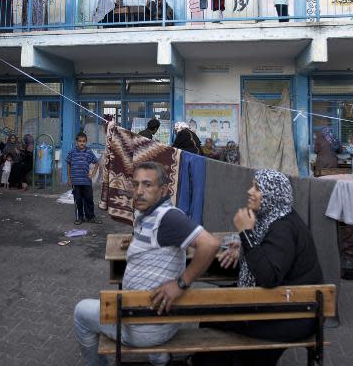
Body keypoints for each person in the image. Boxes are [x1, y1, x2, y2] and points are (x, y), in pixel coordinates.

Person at [74, 162, 221, 366]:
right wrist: (136, 239)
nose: (139, 192)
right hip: (161, 320)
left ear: (162, 190)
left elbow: (210, 245)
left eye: (147, 185)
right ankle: (159, 358)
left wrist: (180, 284)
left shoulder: (168, 217)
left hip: (144, 328)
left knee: (81, 312)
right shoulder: (150, 214)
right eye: (135, 185)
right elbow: (160, 240)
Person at [196, 169, 323, 366]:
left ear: (272, 195)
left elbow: (268, 277)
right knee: (213, 309)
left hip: (292, 316)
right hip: (288, 306)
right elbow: (269, 252)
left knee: (213, 315)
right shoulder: (276, 218)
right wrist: (244, 247)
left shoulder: (283, 228)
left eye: (257, 188)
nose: (249, 191)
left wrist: (246, 234)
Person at [66, 132, 100, 225]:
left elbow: (97, 162)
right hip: (76, 181)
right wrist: (69, 178)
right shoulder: (72, 152)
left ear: (86, 142)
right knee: (78, 200)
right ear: (76, 142)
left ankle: (90, 217)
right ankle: (80, 217)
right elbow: (68, 163)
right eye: (80, 141)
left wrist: (92, 174)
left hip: (86, 181)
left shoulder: (88, 152)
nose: (82, 143)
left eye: (84, 141)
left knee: (89, 199)